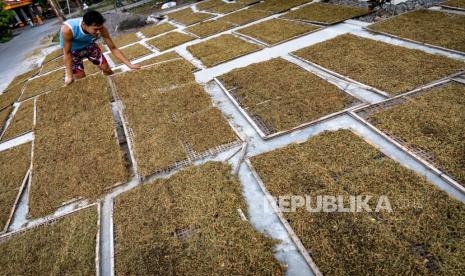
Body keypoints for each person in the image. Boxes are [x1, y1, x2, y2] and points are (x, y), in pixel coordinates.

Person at [60, 10, 140, 85]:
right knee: (81, 79)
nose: (98, 32)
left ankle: (115, 84)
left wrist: (130, 65)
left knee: (106, 69)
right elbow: (67, 54)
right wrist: (70, 77)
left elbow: (113, 48)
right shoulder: (68, 30)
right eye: (95, 29)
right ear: (84, 25)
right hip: (73, 50)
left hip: (89, 45)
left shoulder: (101, 28)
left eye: (100, 28)